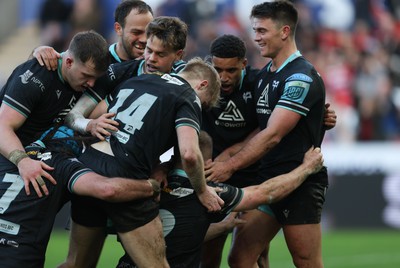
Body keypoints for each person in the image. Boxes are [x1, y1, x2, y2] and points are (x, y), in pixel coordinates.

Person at [57, 57, 223, 268]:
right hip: (125, 178)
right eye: (205, 103)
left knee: (75, 264)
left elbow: (95, 117)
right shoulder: (188, 96)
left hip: (88, 169)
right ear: (202, 84)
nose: (202, 108)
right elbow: (189, 153)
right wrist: (202, 190)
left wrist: (160, 165)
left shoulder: (137, 80)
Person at [205, 1, 328, 267]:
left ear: (284, 31)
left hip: (299, 182)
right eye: (254, 30)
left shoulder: (300, 77)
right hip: (266, 181)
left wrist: (229, 166)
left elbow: (272, 135)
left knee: (305, 261)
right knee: (239, 259)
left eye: (262, 31)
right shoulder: (264, 76)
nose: (256, 37)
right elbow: (259, 128)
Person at [116, 130, 324, 268]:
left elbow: (176, 231)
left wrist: (225, 226)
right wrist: (306, 169)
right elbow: (266, 193)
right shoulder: (210, 194)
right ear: (206, 161)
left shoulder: (146, 186)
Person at [0, 125, 161, 268]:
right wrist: (151, 187)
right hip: (16, 257)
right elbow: (107, 189)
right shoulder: (61, 164)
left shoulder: (9, 155)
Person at [0, 30, 109, 198]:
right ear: (69, 62)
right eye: (86, 76)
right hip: (13, 157)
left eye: (95, 77)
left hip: (35, 159)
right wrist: (23, 161)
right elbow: (2, 127)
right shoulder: (37, 77)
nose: (91, 83)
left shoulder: (80, 79)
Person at [34, 0, 154, 71]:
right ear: (118, 29)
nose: (144, 39)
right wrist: (40, 52)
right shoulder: (100, 61)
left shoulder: (157, 63)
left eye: (148, 32)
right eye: (136, 32)